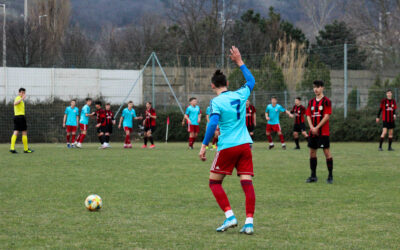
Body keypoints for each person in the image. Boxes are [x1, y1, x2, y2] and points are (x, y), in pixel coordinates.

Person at [199, 46, 256, 235]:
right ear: (228, 82)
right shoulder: (240, 94)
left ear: (212, 86)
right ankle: (249, 222)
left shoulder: (216, 102)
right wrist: (239, 61)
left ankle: (230, 216)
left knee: (214, 183)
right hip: (245, 145)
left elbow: (212, 123)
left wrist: (204, 145)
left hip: (228, 146)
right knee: (246, 182)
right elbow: (251, 81)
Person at [305, 80, 333, 184]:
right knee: (312, 152)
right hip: (313, 132)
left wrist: (317, 127)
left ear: (322, 88)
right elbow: (308, 115)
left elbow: (326, 116)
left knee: (326, 152)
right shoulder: (311, 102)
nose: (315, 89)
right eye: (314, 87)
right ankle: (313, 176)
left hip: (323, 132)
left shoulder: (326, 101)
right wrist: (312, 127)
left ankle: (330, 176)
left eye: (318, 87)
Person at [10, 88, 34, 154]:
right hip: (20, 117)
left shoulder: (21, 100)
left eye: (24, 93)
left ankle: (12, 148)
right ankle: (26, 149)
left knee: (16, 132)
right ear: (19, 93)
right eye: (22, 92)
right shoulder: (18, 98)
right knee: (24, 132)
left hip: (17, 117)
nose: (23, 94)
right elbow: (15, 103)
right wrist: (21, 99)